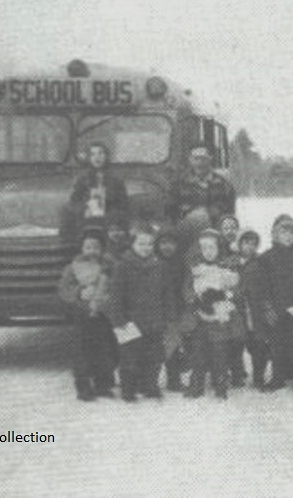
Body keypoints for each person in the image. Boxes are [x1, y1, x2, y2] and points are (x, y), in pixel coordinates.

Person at [105, 225, 176, 402]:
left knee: (154, 356)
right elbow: (116, 295)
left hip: (154, 320)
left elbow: (167, 293)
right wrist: (118, 318)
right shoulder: (123, 266)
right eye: (141, 243)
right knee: (130, 357)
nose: (146, 247)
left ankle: (149, 385)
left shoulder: (160, 266)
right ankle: (128, 389)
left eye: (150, 244)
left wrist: (169, 316)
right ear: (133, 245)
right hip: (129, 321)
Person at [255, 219, 293, 393]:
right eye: (284, 232)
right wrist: (267, 307)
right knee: (277, 346)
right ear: (275, 235)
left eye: (291, 233)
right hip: (277, 308)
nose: (288, 236)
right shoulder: (267, 257)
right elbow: (263, 285)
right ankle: (278, 378)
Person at [57, 227, 117, 401]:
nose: (92, 251)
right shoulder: (73, 268)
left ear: (102, 249)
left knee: (105, 349)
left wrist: (108, 290)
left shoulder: (109, 266)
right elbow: (63, 289)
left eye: (96, 247)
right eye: (88, 247)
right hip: (82, 315)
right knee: (83, 352)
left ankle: (103, 384)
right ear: (82, 249)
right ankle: (83, 386)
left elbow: (118, 283)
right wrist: (78, 292)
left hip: (103, 314)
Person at [184, 229, 243, 400]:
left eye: (212, 248)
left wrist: (225, 296)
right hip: (200, 316)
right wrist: (195, 298)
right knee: (198, 352)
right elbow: (187, 289)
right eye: (205, 248)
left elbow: (235, 289)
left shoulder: (225, 269)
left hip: (219, 317)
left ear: (219, 249)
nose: (208, 252)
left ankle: (220, 384)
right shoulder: (196, 270)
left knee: (220, 352)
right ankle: (197, 384)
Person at [62, 143, 129, 239]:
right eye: (93, 154)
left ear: (106, 156)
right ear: (89, 158)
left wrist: (111, 212)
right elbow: (74, 201)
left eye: (101, 153)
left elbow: (123, 204)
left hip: (110, 222)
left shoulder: (116, 179)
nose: (97, 157)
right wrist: (84, 209)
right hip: (87, 220)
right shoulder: (82, 178)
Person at [168, 144, 237, 229]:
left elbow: (229, 215)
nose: (199, 162)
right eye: (196, 158)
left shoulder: (224, 185)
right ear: (190, 160)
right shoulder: (178, 184)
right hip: (185, 232)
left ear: (210, 159)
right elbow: (170, 213)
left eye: (203, 158)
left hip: (215, 232)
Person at [156, 227, 192, 393]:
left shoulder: (182, 262)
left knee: (174, 346)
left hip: (177, 309)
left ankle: (174, 380)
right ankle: (149, 380)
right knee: (155, 347)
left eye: (171, 243)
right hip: (158, 310)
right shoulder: (154, 263)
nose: (167, 247)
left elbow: (186, 283)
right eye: (163, 243)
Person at [236, 230, 270, 388]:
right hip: (237, 310)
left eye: (253, 243)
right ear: (240, 243)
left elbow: (266, 285)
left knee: (258, 346)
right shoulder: (233, 262)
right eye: (246, 242)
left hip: (256, 309)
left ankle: (259, 377)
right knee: (237, 343)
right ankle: (237, 375)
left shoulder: (261, 262)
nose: (249, 246)